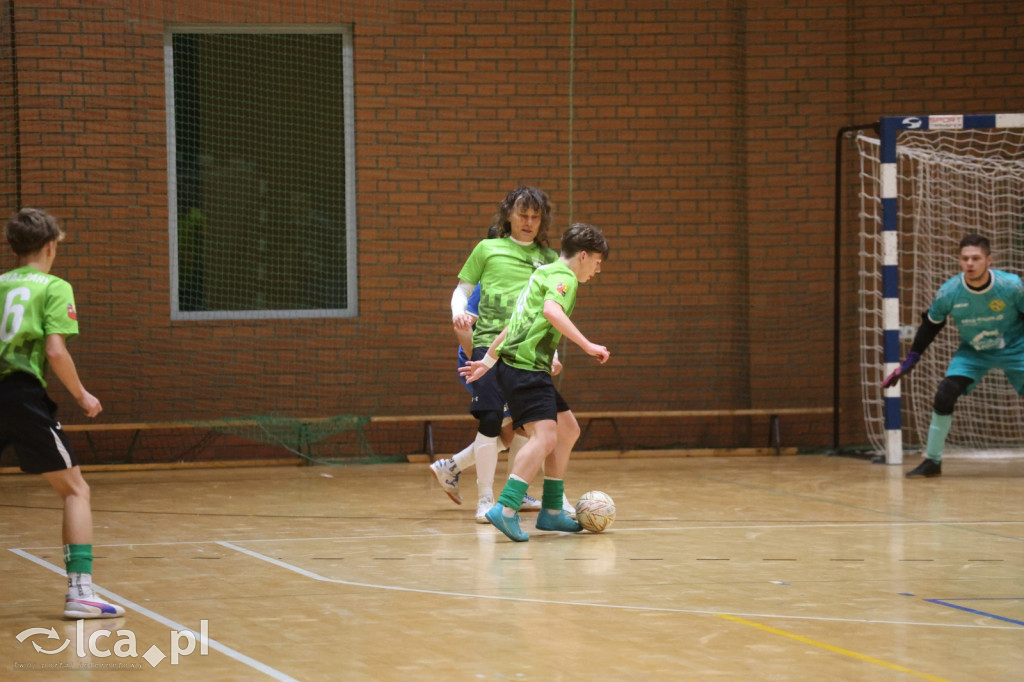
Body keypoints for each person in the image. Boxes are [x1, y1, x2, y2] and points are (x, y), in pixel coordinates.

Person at [0, 208, 125, 619]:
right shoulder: (54, 287)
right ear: (51, 246)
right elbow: (55, 351)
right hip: (20, 394)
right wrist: (82, 395)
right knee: (75, 490)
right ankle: (80, 592)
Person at [461, 222, 610, 542]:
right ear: (583, 256)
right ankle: (506, 508)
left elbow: (515, 323)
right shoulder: (564, 277)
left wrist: (488, 362)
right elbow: (552, 311)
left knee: (567, 430)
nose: (597, 270)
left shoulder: (543, 272)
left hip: (520, 367)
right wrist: (588, 345)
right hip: (525, 368)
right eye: (597, 262)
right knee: (544, 438)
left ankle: (552, 510)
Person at [432, 187, 560, 523]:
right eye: (522, 215)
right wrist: (458, 315)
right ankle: (485, 499)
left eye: (535, 217)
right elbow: (462, 289)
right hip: (488, 347)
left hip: (528, 352)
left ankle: (519, 492)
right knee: (491, 420)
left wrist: (553, 352)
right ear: (508, 216)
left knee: (527, 427)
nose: (529, 222)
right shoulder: (487, 249)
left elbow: (551, 311)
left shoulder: (549, 259)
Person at [883, 233, 1024, 478]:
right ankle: (932, 461)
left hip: (1016, 348)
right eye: (965, 258)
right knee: (945, 393)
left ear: (989, 260)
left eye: (976, 258)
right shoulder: (949, 292)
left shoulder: (1011, 286)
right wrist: (912, 359)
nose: (969, 263)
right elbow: (931, 325)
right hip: (974, 352)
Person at [431, 279, 540, 511]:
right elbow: (463, 327)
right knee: (507, 425)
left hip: (509, 363)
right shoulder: (491, 281)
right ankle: (494, 493)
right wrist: (483, 365)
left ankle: (451, 467)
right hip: (482, 362)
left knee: (514, 432)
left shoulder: (530, 280)